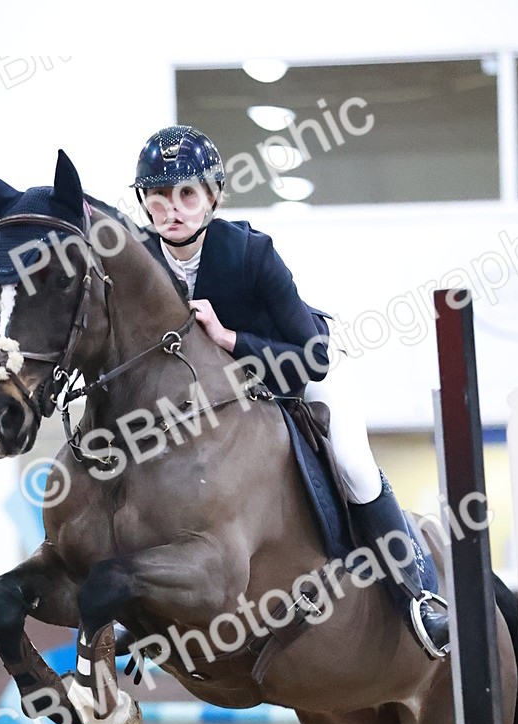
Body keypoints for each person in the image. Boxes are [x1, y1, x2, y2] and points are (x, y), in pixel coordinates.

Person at [131, 125, 450, 660]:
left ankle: (419, 596)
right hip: (224, 402)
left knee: (353, 465)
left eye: (186, 193)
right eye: (158, 196)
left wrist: (229, 338)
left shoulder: (251, 252)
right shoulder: (143, 265)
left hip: (301, 375)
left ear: (213, 196)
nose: (173, 209)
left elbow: (313, 357)